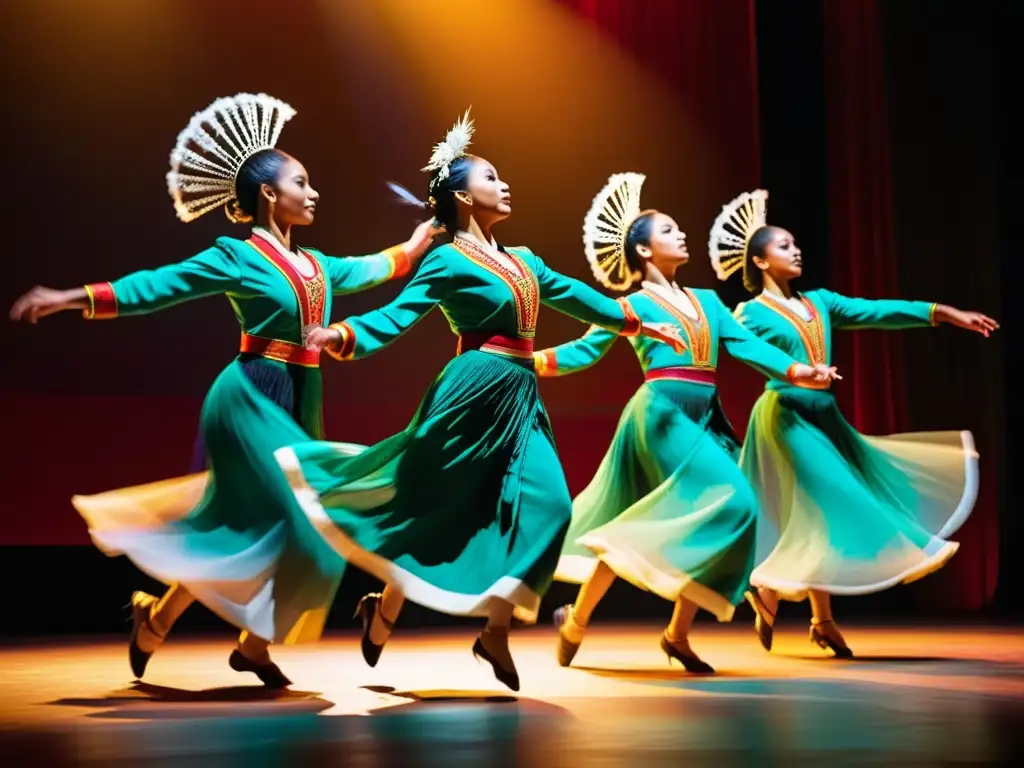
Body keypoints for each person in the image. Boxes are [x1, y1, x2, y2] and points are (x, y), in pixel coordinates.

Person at [9, 93, 441, 686]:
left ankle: (192, 630)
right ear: (269, 194)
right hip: (249, 396)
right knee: (283, 518)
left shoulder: (316, 265)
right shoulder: (235, 257)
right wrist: (72, 298)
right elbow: (159, 285)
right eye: (301, 181)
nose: (313, 192)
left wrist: (418, 243)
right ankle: (229, 638)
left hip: (301, 396)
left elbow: (372, 268)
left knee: (277, 524)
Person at [280, 111, 685, 691]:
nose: (505, 184)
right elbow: (400, 313)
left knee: (551, 506)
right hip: (473, 388)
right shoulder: (446, 258)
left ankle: (492, 632)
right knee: (439, 503)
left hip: (521, 392)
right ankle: (388, 608)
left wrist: (636, 321)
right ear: (462, 196)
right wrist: (344, 335)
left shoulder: (525, 260)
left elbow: (578, 296)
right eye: (491, 177)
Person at [533, 173, 837, 672]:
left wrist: (799, 369)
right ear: (645, 251)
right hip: (661, 416)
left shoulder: (709, 302)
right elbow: (583, 351)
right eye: (669, 231)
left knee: (696, 514)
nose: (681, 235)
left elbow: (748, 347)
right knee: (731, 500)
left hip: (704, 417)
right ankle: (610, 621)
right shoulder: (630, 305)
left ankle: (622, 626)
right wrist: (531, 360)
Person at [710, 189, 997, 657]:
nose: (796, 250)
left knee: (818, 513)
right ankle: (775, 592)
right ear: (760, 261)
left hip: (825, 417)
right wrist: (800, 372)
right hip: (785, 415)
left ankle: (816, 617)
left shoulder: (820, 301)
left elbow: (877, 311)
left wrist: (942, 314)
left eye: (795, 243)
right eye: (783, 245)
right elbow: (748, 353)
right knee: (827, 501)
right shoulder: (749, 313)